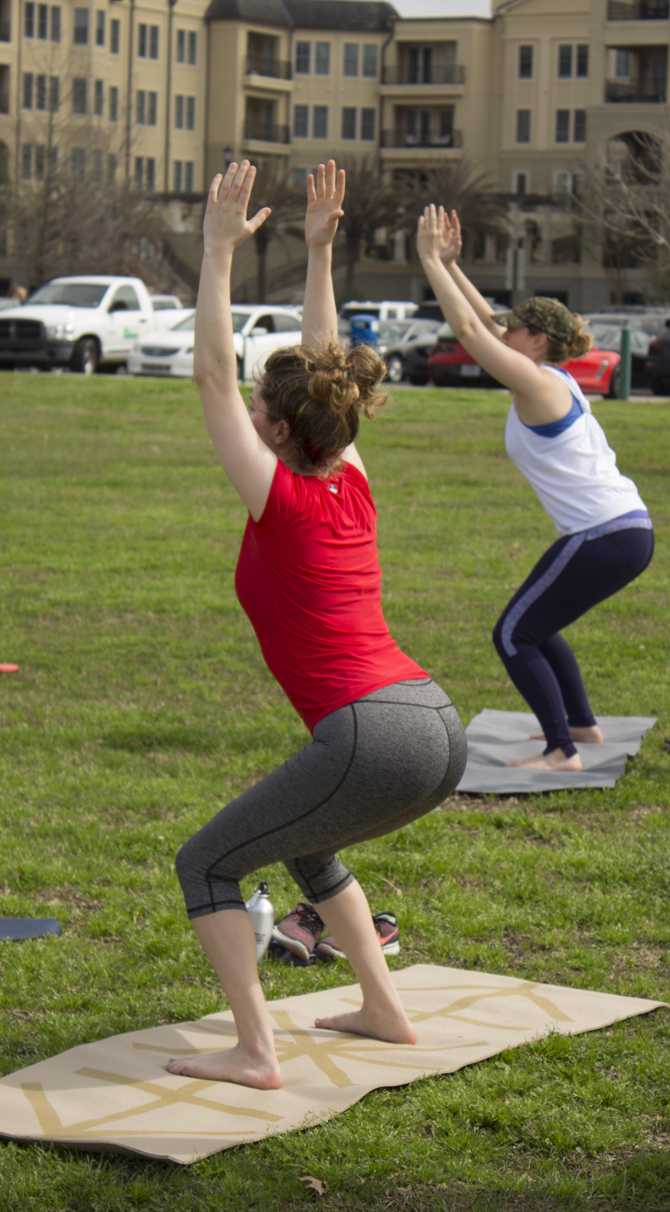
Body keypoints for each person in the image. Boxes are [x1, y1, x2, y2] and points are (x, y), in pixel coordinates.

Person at [166, 163, 466, 1089]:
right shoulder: (350, 479)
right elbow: (325, 369)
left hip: (371, 732)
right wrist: (321, 252)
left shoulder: (282, 498)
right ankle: (383, 1009)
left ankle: (256, 1054)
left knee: (206, 862)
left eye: (262, 412)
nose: (247, 415)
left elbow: (213, 372)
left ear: (283, 434)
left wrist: (217, 252)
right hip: (437, 723)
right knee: (305, 841)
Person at [416, 205, 654, 773]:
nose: (507, 330)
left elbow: (473, 333)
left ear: (539, 341)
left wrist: (428, 261)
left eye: (517, 328)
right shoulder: (551, 376)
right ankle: (580, 726)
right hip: (620, 530)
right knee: (537, 626)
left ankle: (560, 752)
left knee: (513, 634)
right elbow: (488, 323)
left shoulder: (537, 384)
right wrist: (453, 266)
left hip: (605, 533)